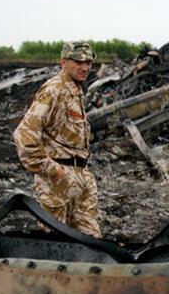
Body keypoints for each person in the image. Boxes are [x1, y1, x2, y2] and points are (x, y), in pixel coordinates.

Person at [13, 41, 103, 237]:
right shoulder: (54, 90)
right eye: (79, 62)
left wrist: (83, 177)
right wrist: (53, 171)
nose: (85, 67)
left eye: (88, 62)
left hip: (81, 176)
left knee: (91, 242)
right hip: (57, 181)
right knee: (56, 243)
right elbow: (24, 135)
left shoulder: (76, 90)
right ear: (63, 62)